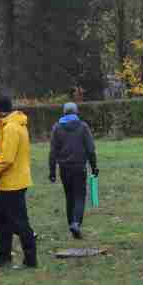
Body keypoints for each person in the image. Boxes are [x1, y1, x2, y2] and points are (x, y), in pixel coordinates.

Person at [0, 96, 38, 269]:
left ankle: (30, 260)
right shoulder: (10, 125)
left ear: (0, 111)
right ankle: (4, 257)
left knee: (20, 223)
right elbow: (5, 153)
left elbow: (7, 159)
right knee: (2, 221)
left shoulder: (11, 128)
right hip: (9, 182)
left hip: (13, 183)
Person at [48, 102, 99, 239]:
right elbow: (90, 149)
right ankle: (76, 223)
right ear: (76, 112)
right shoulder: (83, 127)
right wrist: (94, 167)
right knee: (79, 196)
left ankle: (72, 224)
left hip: (64, 168)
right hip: (79, 167)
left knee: (69, 197)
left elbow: (53, 152)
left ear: (64, 113)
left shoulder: (57, 128)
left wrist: (52, 171)